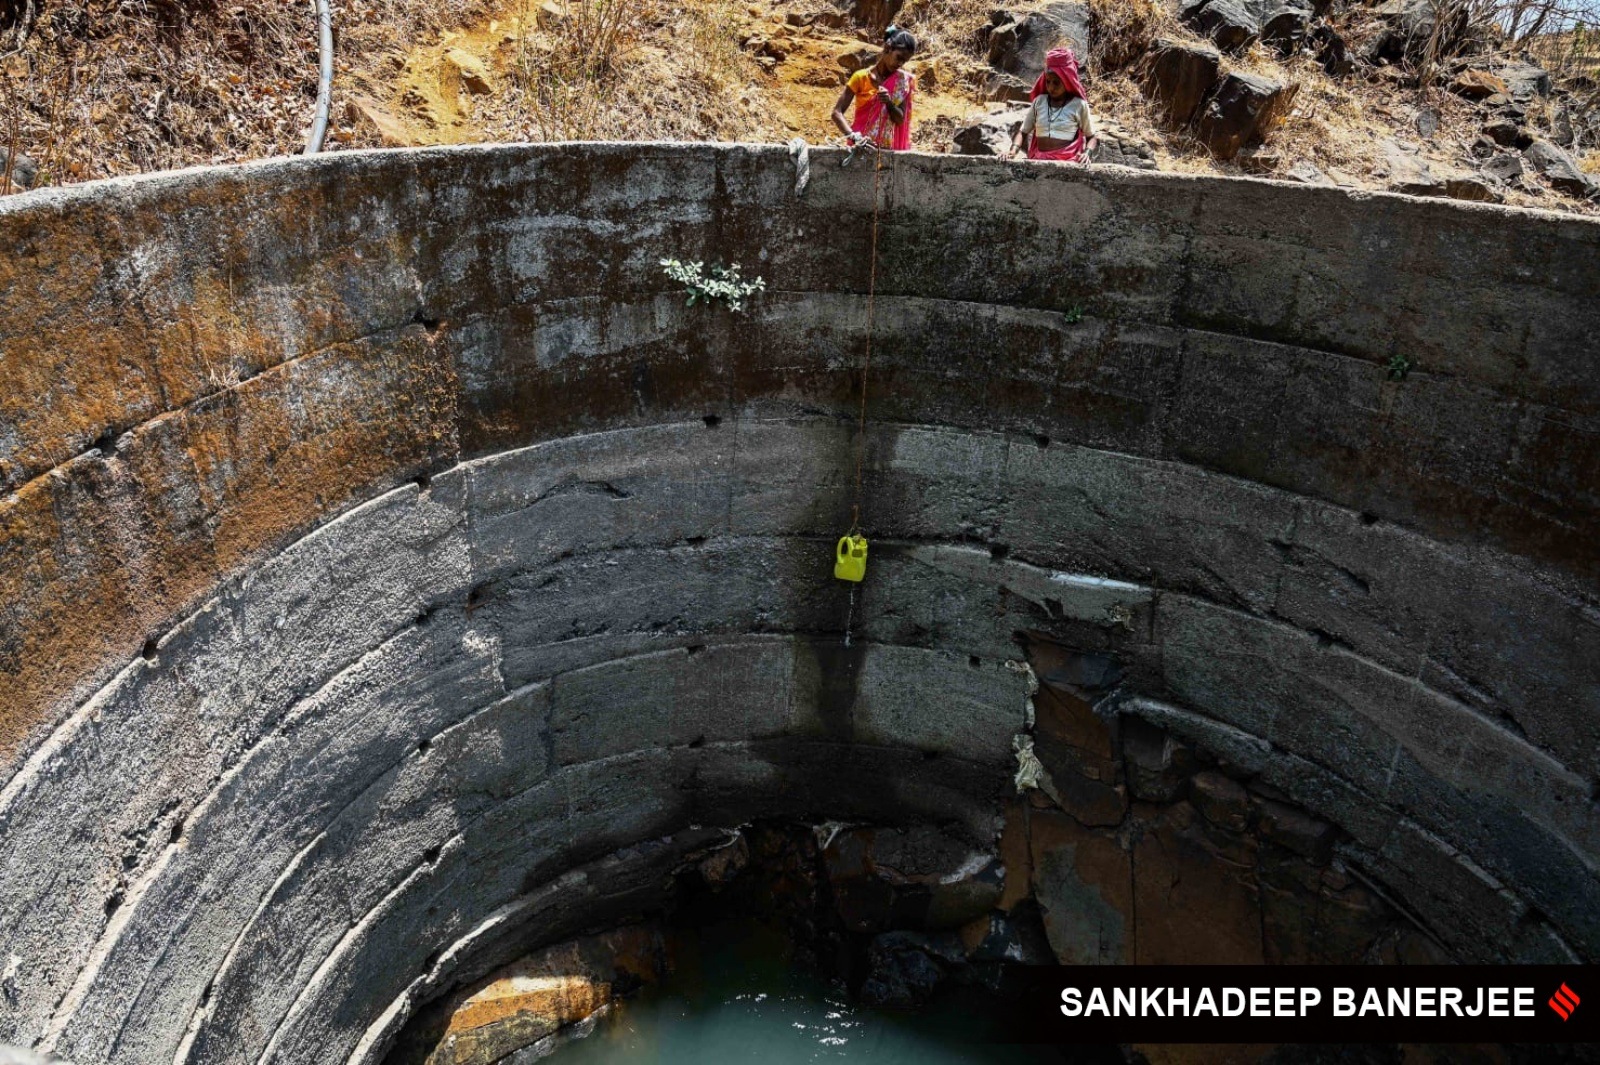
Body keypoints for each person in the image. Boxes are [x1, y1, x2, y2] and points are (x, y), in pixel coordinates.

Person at [831, 26, 918, 151]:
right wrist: (853, 136)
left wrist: (889, 103)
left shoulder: (902, 82)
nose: (900, 64)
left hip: (886, 152)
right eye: (899, 58)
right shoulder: (860, 77)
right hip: (860, 148)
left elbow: (900, 120)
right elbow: (837, 112)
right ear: (888, 48)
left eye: (904, 61)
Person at [1007, 47, 1098, 163]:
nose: (1051, 87)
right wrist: (1013, 151)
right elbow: (1023, 132)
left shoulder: (1079, 105)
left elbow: (1092, 137)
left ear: (1067, 81)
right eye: (1048, 81)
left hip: (1068, 162)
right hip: (1038, 160)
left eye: (1056, 83)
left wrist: (1087, 153)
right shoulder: (1039, 101)